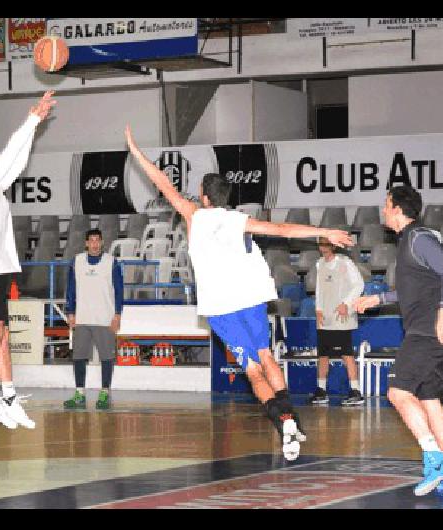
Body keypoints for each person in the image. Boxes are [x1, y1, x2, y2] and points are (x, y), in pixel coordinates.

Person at [124, 124, 353, 461]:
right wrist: (325, 232)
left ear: (204, 196)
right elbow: (283, 230)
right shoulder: (239, 219)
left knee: (251, 369)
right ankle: (291, 418)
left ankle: (284, 424)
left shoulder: (194, 216)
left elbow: (161, 182)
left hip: (221, 306)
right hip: (251, 299)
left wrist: (135, 151)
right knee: (266, 357)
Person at [354, 186, 443, 496]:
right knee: (429, 399)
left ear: (397, 209)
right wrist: (377, 298)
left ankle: (434, 458)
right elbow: (414, 289)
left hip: (432, 330)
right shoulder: (411, 241)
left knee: (397, 392)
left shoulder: (419, 237)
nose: (382, 210)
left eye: (386, 204)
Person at [0, 90, 57, 429]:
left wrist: (35, 127)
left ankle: (10, 395)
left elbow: (15, 163)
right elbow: (6, 160)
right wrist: (32, 116)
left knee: (2, 336)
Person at [63, 228, 124, 411]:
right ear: (86, 243)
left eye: (98, 240)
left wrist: (117, 314)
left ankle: (105, 393)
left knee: (107, 358)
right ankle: (80, 394)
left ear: (102, 242)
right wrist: (71, 312)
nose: (95, 244)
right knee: (79, 357)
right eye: (92, 240)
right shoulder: (76, 261)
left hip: (105, 318)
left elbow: (119, 290)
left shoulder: (112, 262)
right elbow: (71, 289)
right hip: (82, 318)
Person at [309, 237, 365, 406]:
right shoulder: (320, 264)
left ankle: (356, 391)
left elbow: (359, 285)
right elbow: (319, 289)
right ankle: (321, 390)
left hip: (342, 316)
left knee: (346, 353)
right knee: (323, 355)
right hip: (325, 316)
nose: (323, 248)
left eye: (326, 244)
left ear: (333, 246)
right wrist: (318, 308)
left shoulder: (345, 262)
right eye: (320, 244)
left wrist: (346, 303)